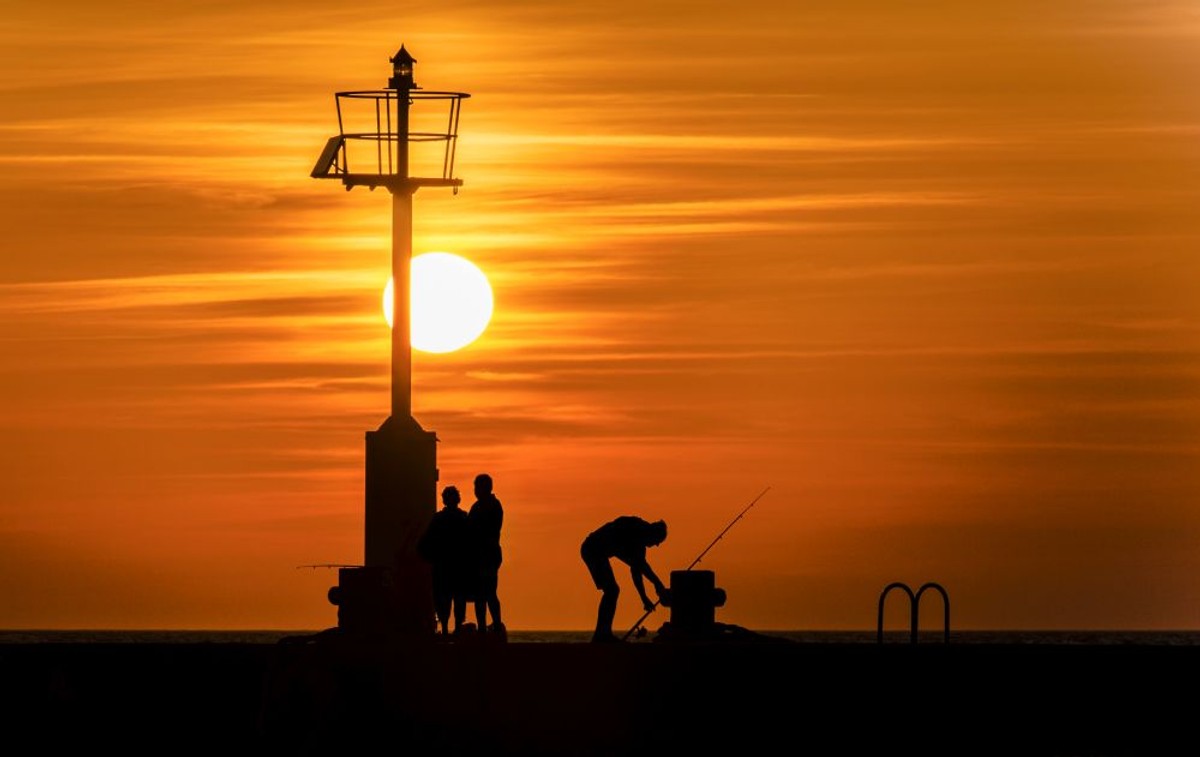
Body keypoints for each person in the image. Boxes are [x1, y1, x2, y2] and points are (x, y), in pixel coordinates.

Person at [580, 516, 668, 643]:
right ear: (653, 533)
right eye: (657, 541)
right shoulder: (636, 531)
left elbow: (638, 568)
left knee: (612, 590)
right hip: (592, 549)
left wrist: (648, 593)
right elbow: (639, 568)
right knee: (612, 590)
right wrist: (653, 588)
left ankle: (602, 634)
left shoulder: (639, 541)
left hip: (597, 551)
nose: (657, 545)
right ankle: (602, 635)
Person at [417, 485, 473, 636]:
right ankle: (457, 628)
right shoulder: (463, 518)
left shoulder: (438, 519)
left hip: (442, 566)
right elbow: (471, 542)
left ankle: (445, 629)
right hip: (459, 566)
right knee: (458, 598)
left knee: (443, 598)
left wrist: (429, 558)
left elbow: (425, 542)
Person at [467, 473, 505, 639]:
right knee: (484, 594)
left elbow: (476, 530)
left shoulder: (489, 507)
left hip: (487, 555)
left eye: (477, 487)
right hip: (485, 555)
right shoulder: (484, 506)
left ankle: (493, 625)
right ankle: (486, 626)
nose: (475, 490)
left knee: (486, 593)